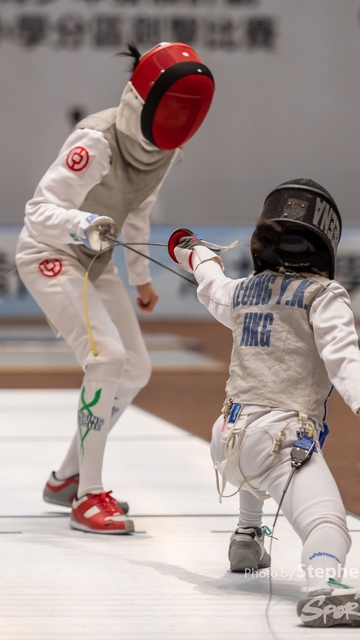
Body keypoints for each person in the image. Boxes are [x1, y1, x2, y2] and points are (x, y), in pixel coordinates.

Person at [170, 178, 360, 627]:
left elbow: (210, 281)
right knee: (327, 524)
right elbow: (342, 352)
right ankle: (324, 590)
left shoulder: (243, 291)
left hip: (225, 442)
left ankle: (246, 537)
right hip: (281, 444)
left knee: (253, 457)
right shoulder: (323, 295)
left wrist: (191, 250)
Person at [15, 42, 215, 535]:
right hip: (49, 254)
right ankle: (88, 496)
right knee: (107, 359)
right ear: (142, 101)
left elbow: (138, 211)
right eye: (170, 108)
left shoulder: (165, 152)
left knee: (136, 368)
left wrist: (141, 279)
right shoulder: (97, 141)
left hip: (95, 259)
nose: (177, 120)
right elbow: (38, 211)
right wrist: (83, 224)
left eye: (185, 111)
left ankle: (66, 478)